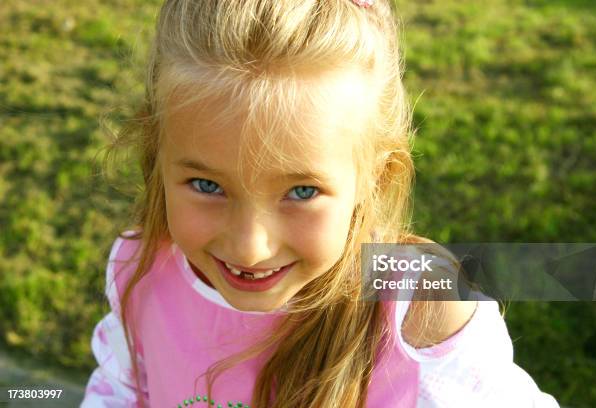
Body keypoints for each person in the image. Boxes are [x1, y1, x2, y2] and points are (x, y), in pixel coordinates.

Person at [81, 0, 560, 407]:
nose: (250, 247)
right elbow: (118, 392)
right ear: (156, 155)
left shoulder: (423, 308)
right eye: (207, 185)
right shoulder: (140, 272)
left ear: (376, 177)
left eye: (302, 192)